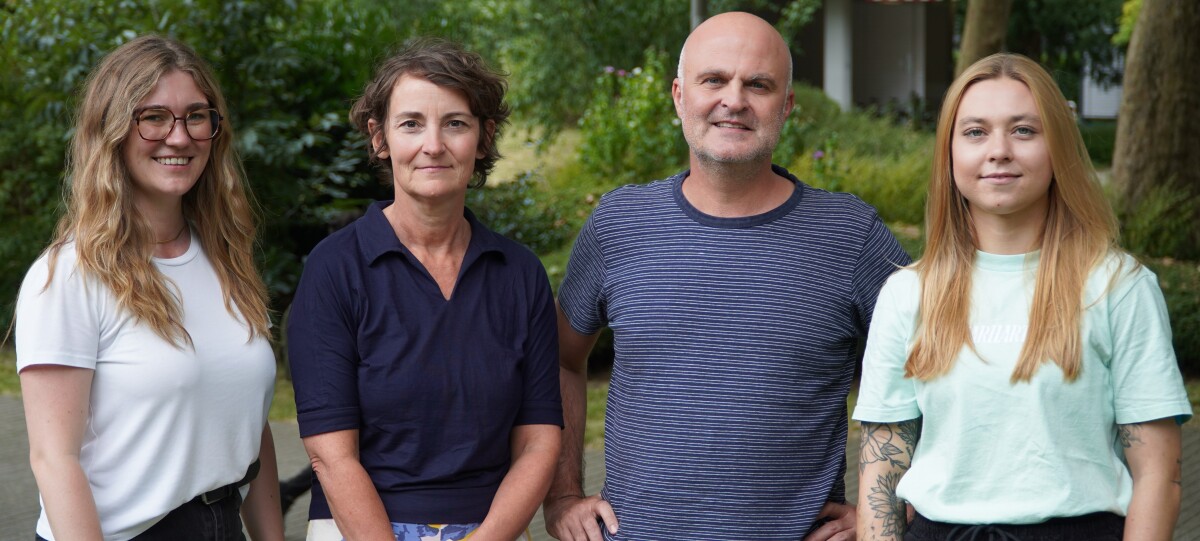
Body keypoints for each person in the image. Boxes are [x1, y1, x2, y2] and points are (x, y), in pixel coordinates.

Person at [543, 12, 911, 541]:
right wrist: (560, 497)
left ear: (786, 106)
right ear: (678, 96)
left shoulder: (850, 235)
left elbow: (942, 369)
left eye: (757, 84)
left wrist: (889, 511)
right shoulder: (619, 224)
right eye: (713, 80)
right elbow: (560, 358)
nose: (733, 100)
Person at [854, 53, 1192, 540]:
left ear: (1058, 149)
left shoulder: (1118, 287)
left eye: (1024, 131)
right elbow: (881, 475)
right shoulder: (908, 293)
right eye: (975, 132)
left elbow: (1160, 476)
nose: (999, 151)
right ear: (949, 155)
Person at [287, 38, 562, 541]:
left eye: (455, 123)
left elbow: (539, 443)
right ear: (379, 137)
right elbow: (331, 454)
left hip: (491, 529)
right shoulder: (335, 269)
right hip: (356, 527)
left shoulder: (519, 274)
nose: (433, 144)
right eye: (411, 123)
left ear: (484, 138)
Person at [15, 35, 283, 540]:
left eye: (196, 116)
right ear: (111, 130)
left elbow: (249, 420)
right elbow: (54, 460)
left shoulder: (226, 259)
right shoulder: (69, 277)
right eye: (154, 117)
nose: (178, 137)